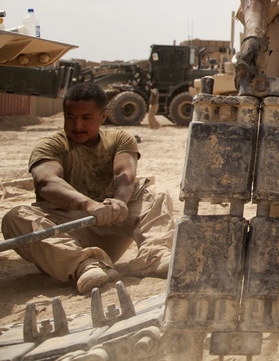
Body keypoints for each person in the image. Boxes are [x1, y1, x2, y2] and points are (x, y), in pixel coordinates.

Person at [1, 83, 175, 294]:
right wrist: (89, 205)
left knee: (155, 193)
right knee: (15, 217)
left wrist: (119, 201)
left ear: (103, 117)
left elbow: (125, 173)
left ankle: (153, 256)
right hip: (67, 234)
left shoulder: (119, 139)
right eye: (70, 117)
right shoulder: (51, 145)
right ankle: (84, 265)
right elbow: (47, 181)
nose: (77, 126)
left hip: (112, 224)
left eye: (86, 118)